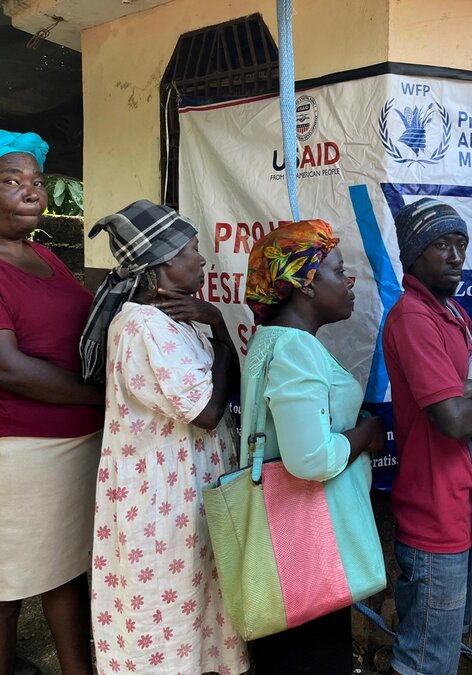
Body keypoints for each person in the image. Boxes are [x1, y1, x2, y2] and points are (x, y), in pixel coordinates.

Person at [81, 200, 248, 675]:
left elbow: (223, 380)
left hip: (181, 495)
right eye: (193, 248)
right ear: (166, 261)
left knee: (192, 609)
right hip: (159, 504)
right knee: (163, 615)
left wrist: (212, 325)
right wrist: (216, 323)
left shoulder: (175, 319)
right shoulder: (145, 326)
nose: (202, 258)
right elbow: (210, 412)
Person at [240, 220, 386, 674]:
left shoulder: (272, 341)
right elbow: (311, 459)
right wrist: (367, 432)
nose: (349, 281)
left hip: (287, 545)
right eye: (338, 270)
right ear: (304, 283)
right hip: (305, 546)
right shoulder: (295, 349)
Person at [382, 198, 472, 675]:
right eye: (442, 245)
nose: (456, 256)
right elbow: (453, 420)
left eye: (461, 243)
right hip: (434, 516)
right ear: (415, 253)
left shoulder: (451, 313)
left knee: (442, 647)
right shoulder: (414, 318)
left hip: (463, 509)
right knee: (425, 660)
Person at [0, 131, 104, 675]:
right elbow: (8, 367)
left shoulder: (46, 256)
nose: (31, 191)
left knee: (64, 571)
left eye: (36, 181)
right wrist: (102, 395)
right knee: (8, 583)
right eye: (11, 181)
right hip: (20, 454)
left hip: (77, 446)